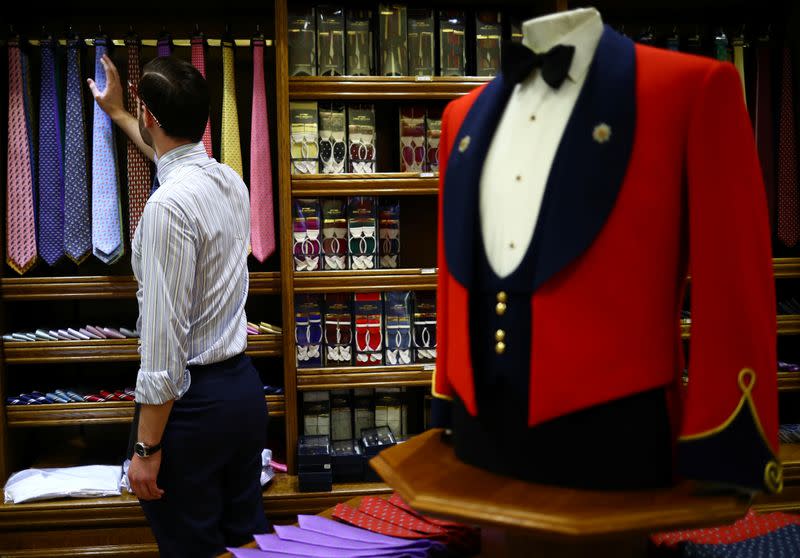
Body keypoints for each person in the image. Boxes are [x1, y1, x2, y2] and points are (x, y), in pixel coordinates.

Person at [88, 54, 270, 557]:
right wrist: (121, 112)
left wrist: (146, 449)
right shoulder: (230, 181)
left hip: (191, 411)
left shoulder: (166, 208)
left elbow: (164, 352)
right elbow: (169, 156)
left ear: (152, 117)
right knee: (244, 546)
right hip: (241, 396)